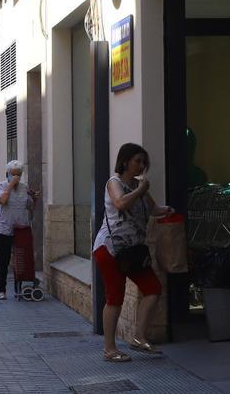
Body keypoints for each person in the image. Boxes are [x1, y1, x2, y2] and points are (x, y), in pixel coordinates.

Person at [95, 143, 174, 362]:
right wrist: (141, 190)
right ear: (125, 161)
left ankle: (139, 337)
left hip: (133, 251)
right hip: (111, 249)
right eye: (137, 161)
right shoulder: (114, 183)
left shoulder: (140, 187)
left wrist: (166, 210)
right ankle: (109, 349)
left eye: (143, 162)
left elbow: (153, 209)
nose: (141, 166)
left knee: (153, 288)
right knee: (115, 297)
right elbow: (120, 203)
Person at [0, 160, 39, 300]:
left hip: (20, 228)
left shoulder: (24, 188)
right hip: (4, 228)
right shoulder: (2, 185)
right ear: (7, 174)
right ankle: (2, 290)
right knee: (5, 259)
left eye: (18, 175)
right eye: (13, 175)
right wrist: (11, 185)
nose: (16, 177)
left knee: (22, 258)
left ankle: (20, 287)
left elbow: (30, 207)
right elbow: (2, 201)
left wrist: (35, 199)